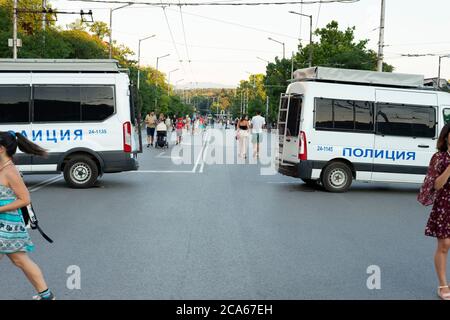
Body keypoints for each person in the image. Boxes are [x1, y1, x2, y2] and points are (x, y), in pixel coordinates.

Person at [0, 131, 55, 300]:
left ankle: (47, 296)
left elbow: (25, 199)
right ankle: (46, 296)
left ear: (1, 149)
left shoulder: (10, 171)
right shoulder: (3, 168)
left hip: (7, 224)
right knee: (20, 260)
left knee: (21, 260)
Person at [424, 124, 450, 300]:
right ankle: (443, 285)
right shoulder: (439, 158)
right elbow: (437, 185)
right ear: (446, 137)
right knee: (445, 245)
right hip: (445, 204)